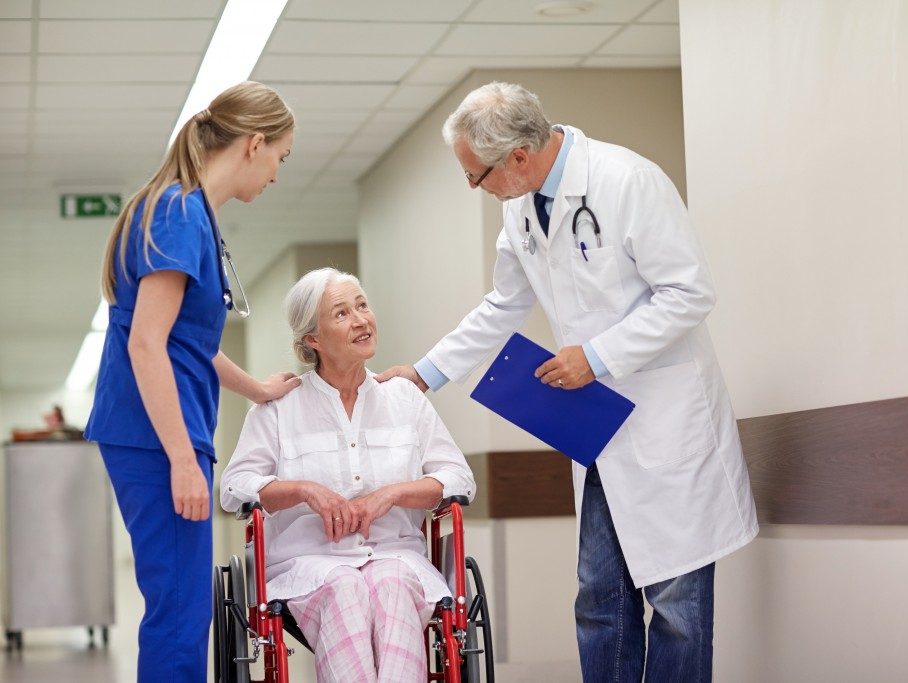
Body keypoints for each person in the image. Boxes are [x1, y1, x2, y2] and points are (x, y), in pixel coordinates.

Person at [376, 81, 759, 682]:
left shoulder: (627, 181)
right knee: (599, 600)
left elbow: (690, 291)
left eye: (477, 176)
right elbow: (502, 304)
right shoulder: (520, 205)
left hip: (666, 420)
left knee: (677, 606)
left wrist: (597, 357)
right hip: (598, 433)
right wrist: (424, 374)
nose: (476, 189)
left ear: (518, 158)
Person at [84, 81, 301, 682]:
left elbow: (187, 343)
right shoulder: (179, 211)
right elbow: (147, 343)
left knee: (178, 605)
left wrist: (256, 390)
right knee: (179, 611)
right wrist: (182, 458)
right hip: (158, 438)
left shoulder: (185, 211)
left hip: (157, 431)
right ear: (254, 144)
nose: (277, 175)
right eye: (280, 158)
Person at [220, 268, 476, 683]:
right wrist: (303, 490)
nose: (361, 319)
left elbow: (459, 479)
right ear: (312, 340)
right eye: (341, 313)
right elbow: (234, 488)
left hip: (398, 558)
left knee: (390, 582)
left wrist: (393, 494)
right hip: (309, 566)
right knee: (343, 586)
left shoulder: (405, 399)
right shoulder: (280, 408)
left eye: (362, 305)